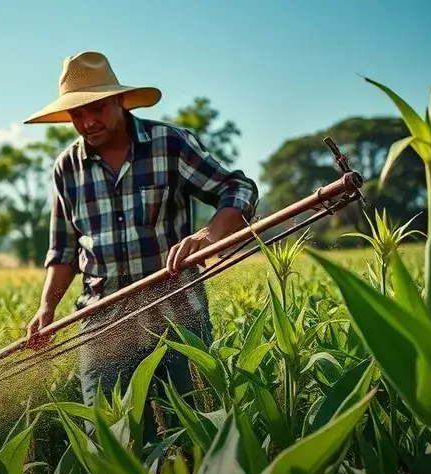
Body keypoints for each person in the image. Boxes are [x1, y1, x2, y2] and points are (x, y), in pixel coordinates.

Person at [22, 51, 259, 441]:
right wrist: (47, 306)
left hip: (178, 314)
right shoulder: (67, 167)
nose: (87, 122)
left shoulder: (169, 143)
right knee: (110, 443)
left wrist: (209, 236)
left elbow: (237, 188)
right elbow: (64, 251)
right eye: (76, 114)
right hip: (103, 324)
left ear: (119, 100)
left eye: (95, 108)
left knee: (196, 435)